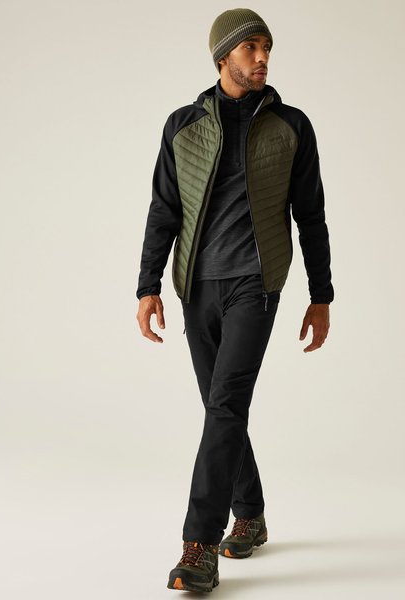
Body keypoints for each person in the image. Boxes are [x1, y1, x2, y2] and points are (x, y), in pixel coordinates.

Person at [135, 8, 334, 593]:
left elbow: (311, 215)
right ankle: (249, 513)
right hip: (196, 285)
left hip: (256, 283)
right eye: (251, 47)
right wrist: (148, 286)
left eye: (267, 46)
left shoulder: (291, 126)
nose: (263, 57)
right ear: (223, 56)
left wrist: (320, 294)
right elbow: (164, 209)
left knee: (224, 406)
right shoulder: (182, 126)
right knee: (220, 407)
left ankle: (198, 546)